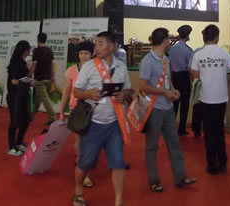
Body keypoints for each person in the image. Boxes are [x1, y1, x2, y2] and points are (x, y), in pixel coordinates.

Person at [73, 32, 133, 206]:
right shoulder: (88, 66)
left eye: (101, 43)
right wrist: (88, 94)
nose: (96, 48)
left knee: (118, 163)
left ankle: (119, 201)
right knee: (85, 162)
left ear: (112, 46)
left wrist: (124, 94)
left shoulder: (121, 67)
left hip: (114, 124)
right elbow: (76, 92)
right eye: (96, 44)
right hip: (93, 124)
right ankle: (78, 190)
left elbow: (129, 89)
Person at [139, 27, 198, 192]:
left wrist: (172, 90)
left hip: (168, 107)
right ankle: (153, 179)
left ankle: (180, 176)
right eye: (168, 39)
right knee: (152, 146)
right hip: (154, 108)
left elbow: (168, 79)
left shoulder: (165, 59)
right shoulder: (147, 61)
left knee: (174, 143)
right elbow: (142, 86)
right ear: (164, 41)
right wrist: (164, 92)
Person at [190, 24, 230, 175]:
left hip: (205, 98)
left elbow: (194, 75)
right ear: (217, 37)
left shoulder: (198, 55)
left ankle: (212, 164)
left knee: (209, 132)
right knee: (219, 130)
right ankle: (222, 161)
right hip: (221, 97)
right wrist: (225, 81)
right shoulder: (224, 54)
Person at [59, 41, 94, 189]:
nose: (83, 56)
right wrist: (61, 111)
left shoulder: (96, 69)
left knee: (90, 142)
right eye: (81, 53)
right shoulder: (72, 70)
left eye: (86, 53)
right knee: (80, 143)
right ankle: (84, 174)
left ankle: (84, 164)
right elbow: (66, 92)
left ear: (92, 54)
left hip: (93, 110)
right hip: (77, 110)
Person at [7, 41, 32, 156]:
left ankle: (19, 142)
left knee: (25, 120)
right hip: (15, 96)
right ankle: (11, 147)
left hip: (23, 95)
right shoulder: (17, 63)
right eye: (29, 49)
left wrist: (31, 72)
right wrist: (28, 83)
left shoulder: (23, 63)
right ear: (25, 50)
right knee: (15, 121)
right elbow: (14, 81)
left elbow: (25, 77)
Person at [170, 25, 194, 135]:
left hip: (174, 77)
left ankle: (171, 128)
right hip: (184, 77)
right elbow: (190, 68)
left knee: (174, 104)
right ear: (187, 35)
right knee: (184, 105)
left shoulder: (172, 48)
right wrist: (191, 80)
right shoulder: (188, 50)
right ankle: (181, 129)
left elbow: (170, 64)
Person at [31, 33, 56, 124]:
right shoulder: (49, 50)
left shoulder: (37, 51)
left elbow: (34, 64)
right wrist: (53, 76)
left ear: (37, 40)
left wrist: (29, 75)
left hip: (39, 78)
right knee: (38, 99)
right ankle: (31, 116)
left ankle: (52, 118)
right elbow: (52, 64)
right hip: (48, 78)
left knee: (45, 99)